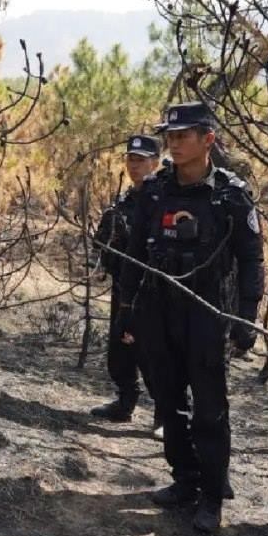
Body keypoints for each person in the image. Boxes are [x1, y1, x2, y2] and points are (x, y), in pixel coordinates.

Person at [117, 101, 264, 533]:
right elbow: (134, 255)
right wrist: (126, 309)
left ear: (208, 140)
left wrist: (247, 317)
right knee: (168, 400)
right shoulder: (155, 190)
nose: (174, 144)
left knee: (210, 409)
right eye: (171, 136)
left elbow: (251, 260)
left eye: (183, 136)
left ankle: (212, 496)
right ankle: (184, 480)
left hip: (206, 313)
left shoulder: (230, 195)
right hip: (157, 309)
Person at [91, 134, 162, 435]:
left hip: (154, 291)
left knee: (153, 353)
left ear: (155, 163)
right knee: (120, 349)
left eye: (141, 160)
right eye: (131, 159)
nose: (134, 166)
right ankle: (125, 402)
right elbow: (106, 245)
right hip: (124, 286)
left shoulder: (163, 199)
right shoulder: (124, 201)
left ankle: (165, 415)